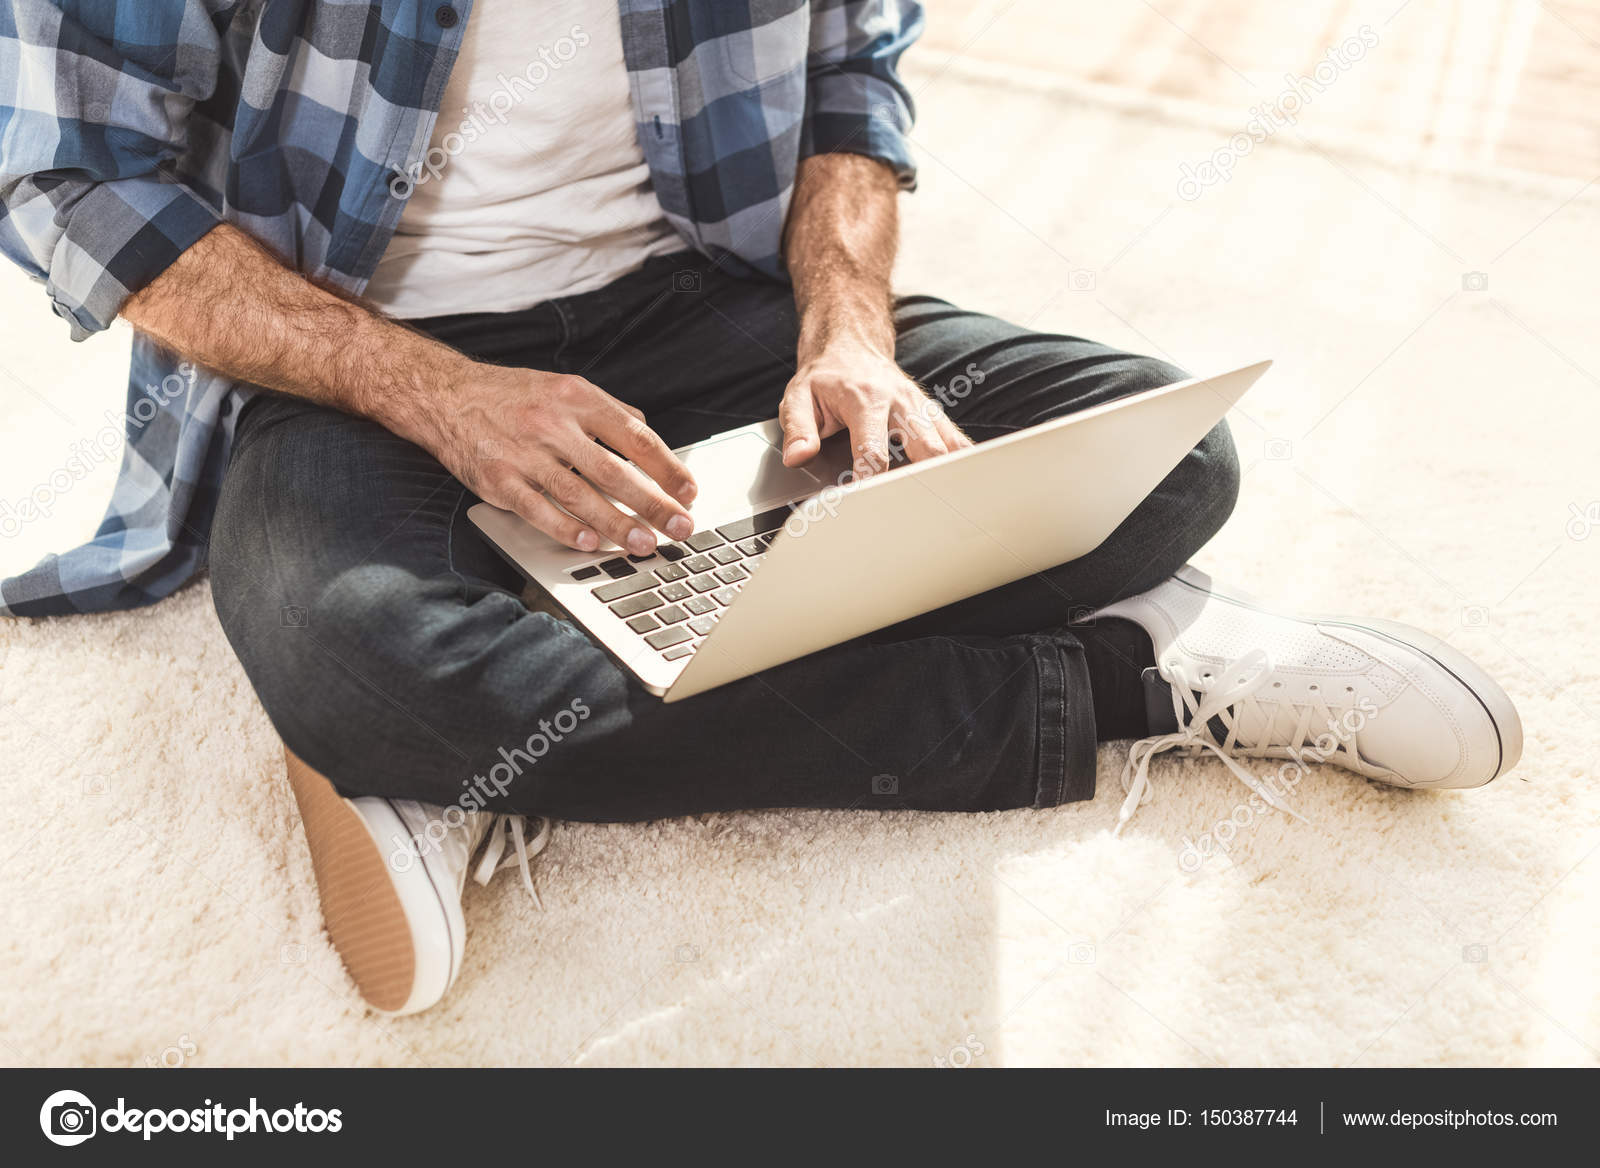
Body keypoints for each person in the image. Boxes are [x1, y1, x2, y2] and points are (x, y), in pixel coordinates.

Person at [0, 0, 1521, 1014]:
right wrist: (436, 393)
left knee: (1161, 460)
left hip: (695, 309)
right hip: (355, 362)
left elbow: (855, 68)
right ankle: (1128, 680)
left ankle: (459, 743)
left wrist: (849, 322)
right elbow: (73, 178)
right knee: (366, 661)